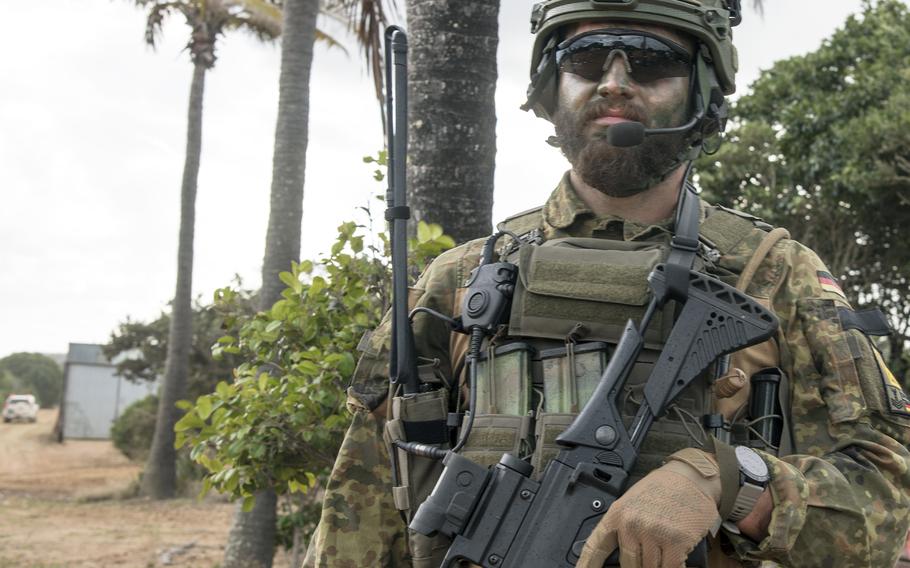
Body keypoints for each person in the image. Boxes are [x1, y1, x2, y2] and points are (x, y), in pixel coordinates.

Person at [304, 1, 910, 566]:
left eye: (651, 64)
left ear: (702, 93)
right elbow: (363, 513)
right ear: (551, 87)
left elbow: (889, 489)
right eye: (587, 62)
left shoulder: (777, 277)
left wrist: (734, 481)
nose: (614, 83)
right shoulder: (459, 281)